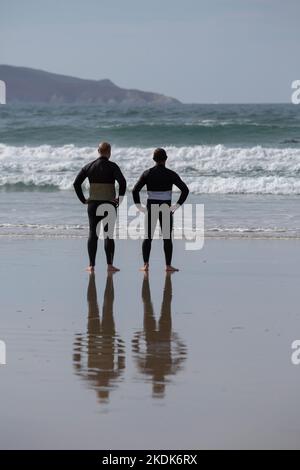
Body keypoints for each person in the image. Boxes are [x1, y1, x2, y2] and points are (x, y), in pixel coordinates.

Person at [132, 148, 189, 272]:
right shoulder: (171, 174)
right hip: (166, 208)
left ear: (154, 159)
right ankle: (168, 266)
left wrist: (138, 206)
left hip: (151, 207)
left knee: (148, 237)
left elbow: (135, 190)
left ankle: (146, 265)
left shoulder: (147, 173)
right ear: (166, 159)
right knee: (167, 238)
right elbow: (185, 190)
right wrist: (177, 205)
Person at [73, 142, 126, 272]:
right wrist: (120, 198)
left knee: (93, 233)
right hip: (109, 204)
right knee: (108, 234)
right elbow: (123, 182)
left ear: (98, 150)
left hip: (93, 204)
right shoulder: (113, 166)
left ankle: (91, 265)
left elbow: (76, 183)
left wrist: (83, 200)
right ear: (109, 152)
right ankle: (110, 265)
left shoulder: (89, 166)